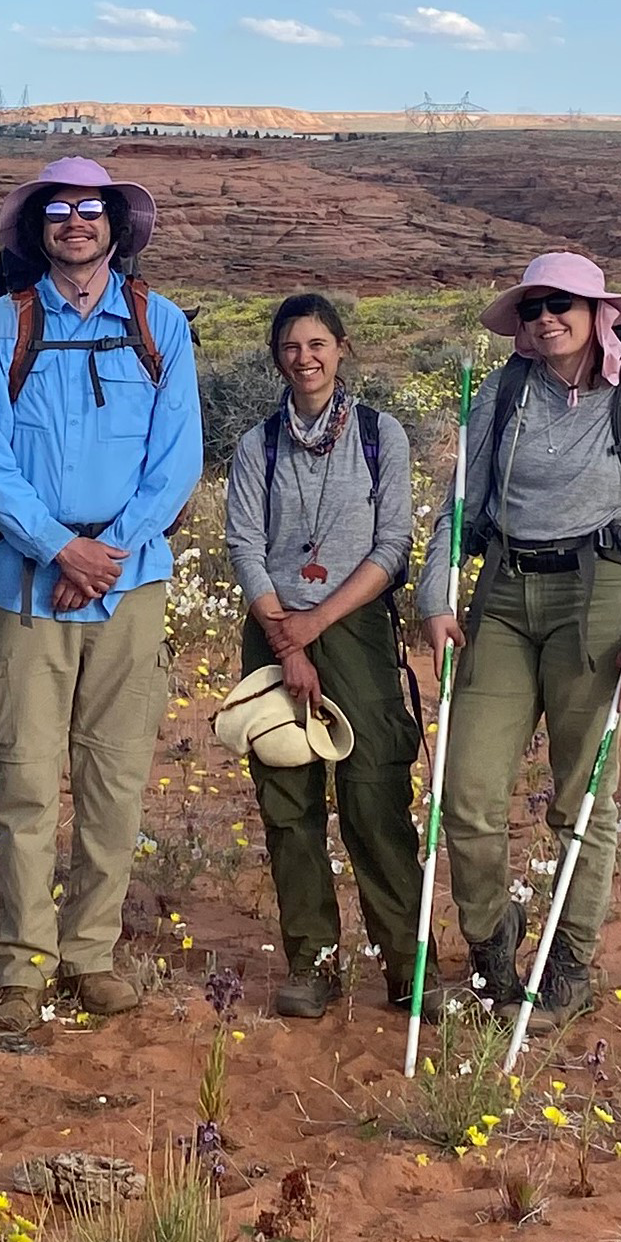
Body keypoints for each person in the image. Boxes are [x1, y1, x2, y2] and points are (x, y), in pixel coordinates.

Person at [0, 157, 203, 1033]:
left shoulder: (158, 324)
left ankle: (90, 952)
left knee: (114, 778)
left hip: (130, 583)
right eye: (57, 210)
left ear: (113, 225)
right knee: (25, 780)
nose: (73, 222)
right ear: (39, 227)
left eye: (88, 209)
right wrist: (63, 547)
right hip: (29, 582)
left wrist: (109, 550)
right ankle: (23, 961)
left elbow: (177, 461)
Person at [416, 251, 621, 1031]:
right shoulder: (501, 394)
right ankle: (492, 943)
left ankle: (568, 963)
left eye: (560, 303)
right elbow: (456, 506)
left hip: (596, 593)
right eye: (532, 307)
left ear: (595, 311)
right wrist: (436, 598)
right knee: (464, 793)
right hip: (502, 593)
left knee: (579, 798)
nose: (544, 318)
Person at [223, 294, 426, 1019]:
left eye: (317, 344)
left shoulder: (380, 434)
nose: (303, 359)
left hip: (355, 626)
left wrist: (317, 624)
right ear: (275, 356)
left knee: (374, 797)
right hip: (273, 625)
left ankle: (407, 965)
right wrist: (285, 636)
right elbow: (245, 545)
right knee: (289, 801)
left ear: (341, 349)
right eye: (289, 347)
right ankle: (312, 963)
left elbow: (391, 544)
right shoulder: (257, 446)